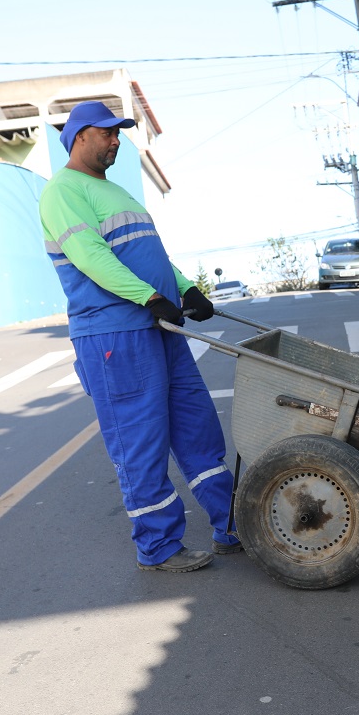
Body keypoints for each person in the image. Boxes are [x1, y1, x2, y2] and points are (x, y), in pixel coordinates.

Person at [39, 100, 241, 573]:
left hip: (159, 328)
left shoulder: (118, 193)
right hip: (115, 335)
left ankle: (232, 523)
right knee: (140, 442)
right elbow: (91, 256)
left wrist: (186, 288)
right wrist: (149, 297)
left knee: (198, 429)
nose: (117, 141)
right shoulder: (62, 191)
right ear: (80, 136)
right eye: (107, 132)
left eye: (119, 133)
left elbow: (150, 256)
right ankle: (158, 546)